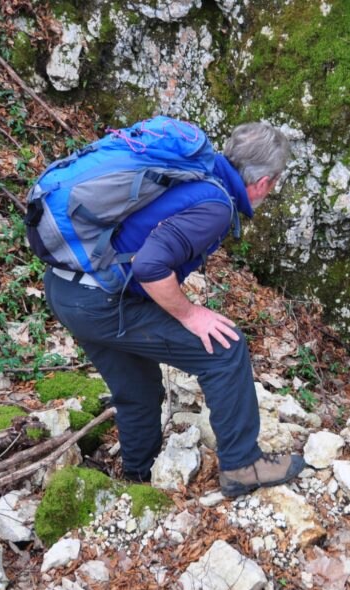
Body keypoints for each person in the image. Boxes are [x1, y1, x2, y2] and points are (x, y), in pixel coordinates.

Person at [43, 121, 305, 498]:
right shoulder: (214, 204)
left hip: (67, 288)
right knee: (225, 351)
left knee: (137, 387)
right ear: (264, 182)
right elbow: (150, 267)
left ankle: (137, 478)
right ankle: (243, 465)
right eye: (275, 183)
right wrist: (189, 314)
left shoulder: (196, 172)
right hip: (100, 302)